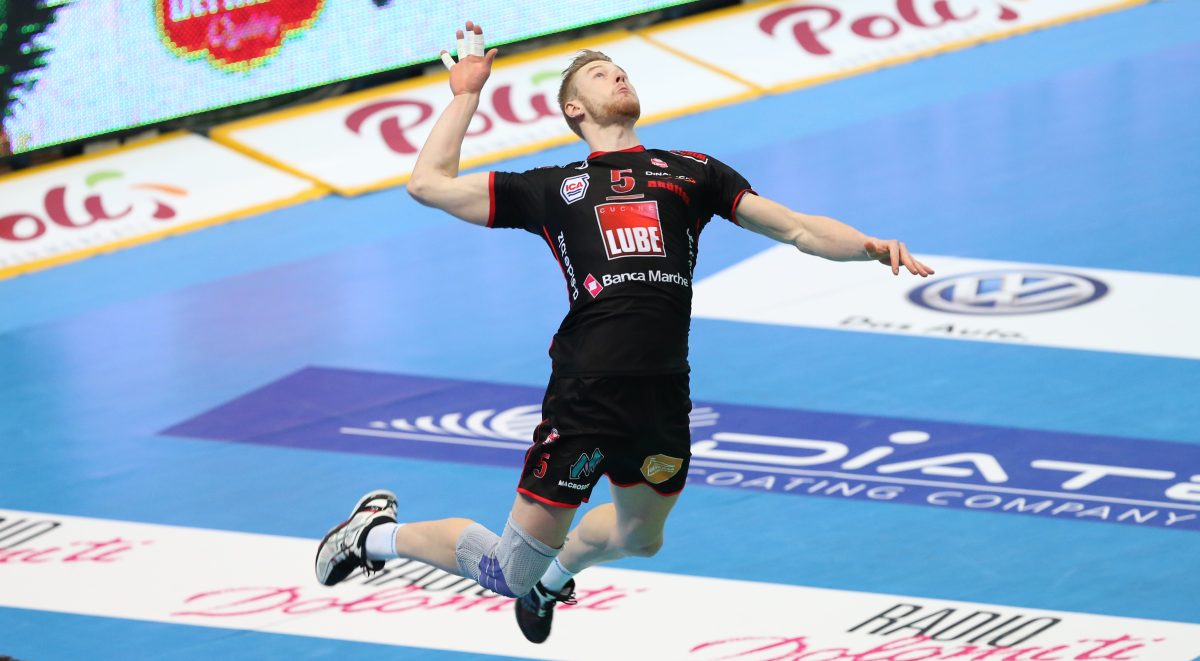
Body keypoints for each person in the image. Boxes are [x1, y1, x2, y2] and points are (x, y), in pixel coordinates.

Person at [314, 20, 934, 644]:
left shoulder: (692, 172)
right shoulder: (553, 189)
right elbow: (429, 184)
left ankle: (555, 580)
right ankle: (374, 535)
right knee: (509, 570)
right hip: (588, 392)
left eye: (621, 70)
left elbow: (796, 227)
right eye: (599, 73)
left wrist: (866, 246)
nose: (617, 74)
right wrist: (467, 94)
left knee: (641, 538)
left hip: (662, 391)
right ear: (574, 109)